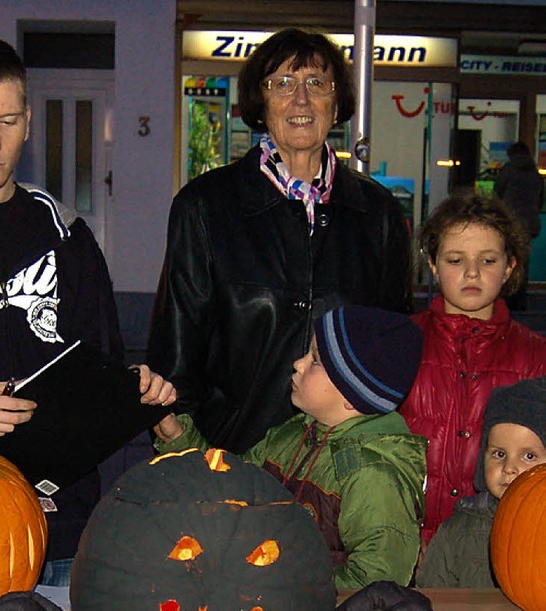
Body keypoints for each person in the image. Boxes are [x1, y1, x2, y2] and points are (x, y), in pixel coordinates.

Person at [0, 34, 175, 587]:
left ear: (27, 121)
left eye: (6, 121)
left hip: (56, 524)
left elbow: (98, 365)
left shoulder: (69, 237)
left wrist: (134, 392)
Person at [147, 28, 413, 455]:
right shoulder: (205, 206)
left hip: (340, 462)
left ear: (337, 101)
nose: (301, 100)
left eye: (316, 84)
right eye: (282, 84)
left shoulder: (378, 214)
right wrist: (183, 454)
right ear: (260, 101)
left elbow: (391, 350)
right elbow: (177, 348)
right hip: (232, 455)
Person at [154, 306, 427, 589]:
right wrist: (177, 438)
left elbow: (376, 581)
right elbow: (230, 488)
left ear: (352, 394)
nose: (298, 363)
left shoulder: (374, 476)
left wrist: (291, 593)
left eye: (316, 360)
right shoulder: (292, 435)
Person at [399, 191, 546, 549]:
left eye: (488, 260)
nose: (472, 273)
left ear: (510, 266)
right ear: (432, 264)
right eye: (454, 260)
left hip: (503, 546)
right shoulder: (399, 345)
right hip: (407, 545)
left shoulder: (536, 357)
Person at [417, 376, 546, 588]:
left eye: (529, 456)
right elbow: (433, 598)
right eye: (499, 453)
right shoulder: (458, 530)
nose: (509, 468)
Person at [494, 141, 545, 310]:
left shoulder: (509, 171)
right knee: (523, 260)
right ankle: (520, 297)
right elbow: (540, 200)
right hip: (530, 222)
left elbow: (498, 192)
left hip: (512, 220)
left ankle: (509, 297)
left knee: (508, 258)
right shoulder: (536, 174)